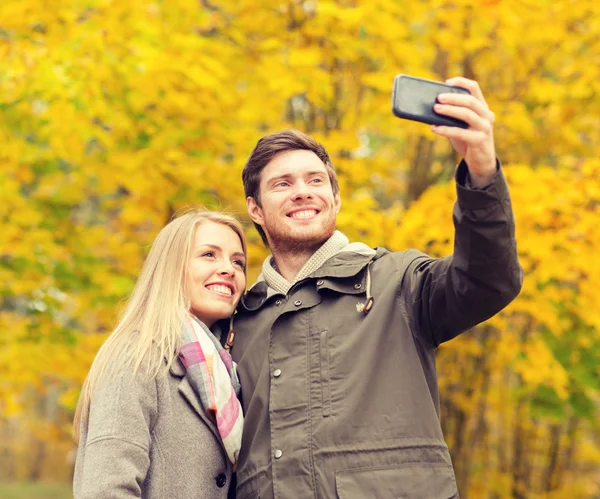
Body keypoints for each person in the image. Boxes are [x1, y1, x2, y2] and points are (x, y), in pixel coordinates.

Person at [230, 77, 523, 498]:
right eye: (282, 184)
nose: (302, 193)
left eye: (316, 181)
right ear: (255, 209)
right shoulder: (238, 324)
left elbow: (488, 280)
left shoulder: (398, 282)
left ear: (336, 199)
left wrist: (480, 170)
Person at [72, 209, 247, 499]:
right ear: (171, 267)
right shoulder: (136, 357)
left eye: (238, 262)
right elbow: (106, 490)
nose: (228, 269)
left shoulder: (225, 371)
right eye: (208, 255)